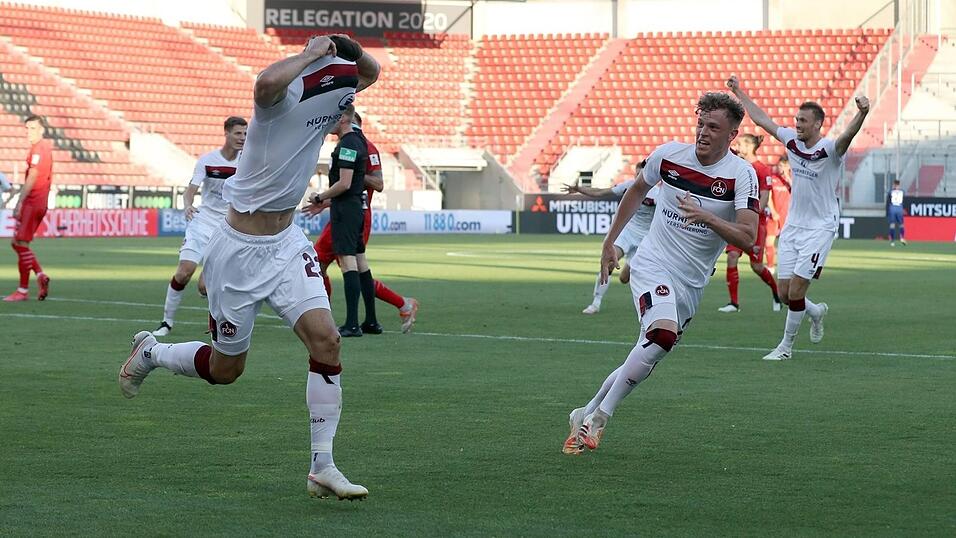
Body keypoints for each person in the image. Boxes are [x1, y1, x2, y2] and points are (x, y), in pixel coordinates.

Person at [118, 34, 380, 500]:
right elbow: (263, 83)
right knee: (226, 371)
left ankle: (323, 466)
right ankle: (151, 354)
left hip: (286, 243)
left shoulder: (337, 94)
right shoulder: (282, 98)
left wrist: (351, 49)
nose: (345, 101)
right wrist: (310, 54)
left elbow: (372, 74)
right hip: (238, 249)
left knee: (327, 339)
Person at [563, 92, 760, 454]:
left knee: (649, 349)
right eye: (700, 123)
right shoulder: (668, 155)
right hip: (652, 263)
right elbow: (636, 191)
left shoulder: (742, 176)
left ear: (732, 135)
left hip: (692, 282)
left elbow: (749, 236)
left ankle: (584, 412)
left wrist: (708, 217)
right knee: (662, 334)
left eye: (713, 127)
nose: (703, 132)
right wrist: (611, 242)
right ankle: (600, 419)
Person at [727, 75, 870, 361]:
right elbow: (762, 120)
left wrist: (862, 113)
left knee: (796, 289)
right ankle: (815, 312)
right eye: (796, 119)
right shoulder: (792, 141)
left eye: (802, 121)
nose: (797, 124)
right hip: (794, 225)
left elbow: (846, 137)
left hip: (820, 227)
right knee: (784, 293)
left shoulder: (829, 150)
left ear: (817, 124)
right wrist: (739, 92)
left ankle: (786, 348)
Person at [310, 111, 419, 333]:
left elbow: (373, 183)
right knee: (353, 266)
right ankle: (373, 318)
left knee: (330, 263)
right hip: (351, 209)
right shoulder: (359, 144)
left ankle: (330, 318)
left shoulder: (358, 146)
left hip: (353, 212)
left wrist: (329, 192)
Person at [153, 116, 247, 336]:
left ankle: (216, 319)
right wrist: (187, 205)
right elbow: (190, 190)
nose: (242, 138)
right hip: (202, 223)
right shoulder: (207, 160)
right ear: (226, 133)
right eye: (237, 133)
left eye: (245, 134)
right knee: (184, 272)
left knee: (205, 286)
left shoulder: (247, 162)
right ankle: (166, 322)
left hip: (227, 228)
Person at [304, 104, 378, 337]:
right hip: (355, 207)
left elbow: (345, 183)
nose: (330, 123)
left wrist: (320, 196)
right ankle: (371, 321)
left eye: (334, 118)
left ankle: (352, 324)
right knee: (360, 262)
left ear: (345, 118)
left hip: (346, 210)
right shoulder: (359, 141)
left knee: (348, 264)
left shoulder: (348, 144)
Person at [561, 160, 659, 315]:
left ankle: (629, 270)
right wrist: (580, 189)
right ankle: (595, 303)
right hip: (627, 232)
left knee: (624, 278)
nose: (638, 176)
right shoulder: (629, 186)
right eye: (637, 173)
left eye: (642, 174)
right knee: (608, 262)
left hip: (644, 239)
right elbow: (601, 192)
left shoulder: (658, 194)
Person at [717, 134, 781, 312]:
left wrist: (751, 214)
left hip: (754, 225)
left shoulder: (761, 169)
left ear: (751, 147)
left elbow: (765, 196)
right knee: (732, 257)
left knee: (757, 266)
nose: (738, 146)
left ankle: (776, 294)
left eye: (741, 144)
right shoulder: (737, 166)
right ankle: (734, 303)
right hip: (736, 223)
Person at [5, 115, 52, 302]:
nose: (29, 132)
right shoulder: (44, 148)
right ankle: (40, 276)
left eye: (33, 128)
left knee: (21, 243)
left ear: (41, 130)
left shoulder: (39, 149)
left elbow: (33, 177)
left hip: (33, 203)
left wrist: (19, 202)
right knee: (17, 242)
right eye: (27, 128)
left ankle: (22, 291)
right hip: (39, 203)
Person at [765, 155, 792, 271]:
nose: (782, 168)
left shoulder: (792, 179)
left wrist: (788, 178)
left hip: (789, 217)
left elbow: (799, 193)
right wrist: (773, 211)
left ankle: (789, 267)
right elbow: (768, 197)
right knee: (769, 242)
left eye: (785, 166)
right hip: (774, 215)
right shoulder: (773, 178)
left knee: (789, 245)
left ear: (789, 167)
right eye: (780, 165)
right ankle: (771, 266)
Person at [886, 179, 906, 246]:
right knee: (901, 224)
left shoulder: (890, 192)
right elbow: (903, 200)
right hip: (899, 208)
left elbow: (888, 201)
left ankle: (892, 241)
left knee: (892, 225)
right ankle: (902, 238)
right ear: (899, 185)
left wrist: (887, 212)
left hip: (892, 208)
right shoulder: (902, 191)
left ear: (894, 185)